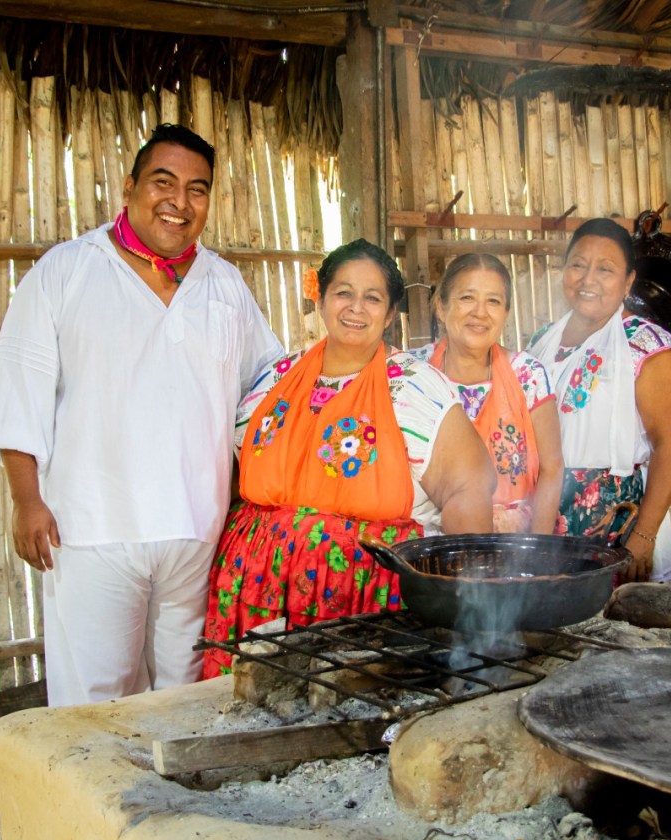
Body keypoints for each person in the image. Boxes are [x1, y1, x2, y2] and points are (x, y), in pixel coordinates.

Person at [0, 124, 283, 706]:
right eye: (163, 182)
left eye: (198, 189)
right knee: (94, 698)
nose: (179, 201)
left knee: (182, 694)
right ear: (129, 186)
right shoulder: (66, 271)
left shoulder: (223, 284)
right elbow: (20, 387)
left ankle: (167, 800)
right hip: (92, 526)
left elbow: (264, 390)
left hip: (196, 528)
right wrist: (26, 500)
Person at [202, 239, 495, 677]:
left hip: (363, 602)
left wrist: (465, 610)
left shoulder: (415, 389)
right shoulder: (275, 378)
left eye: (372, 297)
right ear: (320, 299)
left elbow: (468, 487)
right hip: (256, 587)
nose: (356, 308)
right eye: (343, 293)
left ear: (391, 313)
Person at [526, 218, 671, 583]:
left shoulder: (646, 346)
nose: (588, 280)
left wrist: (643, 535)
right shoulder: (542, 341)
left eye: (605, 269)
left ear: (628, 281)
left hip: (616, 518)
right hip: (545, 511)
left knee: (615, 626)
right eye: (578, 265)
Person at [407, 253, 564, 534]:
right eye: (467, 298)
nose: (480, 312)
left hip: (514, 545)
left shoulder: (527, 374)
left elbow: (552, 469)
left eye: (493, 301)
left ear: (505, 313)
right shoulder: (413, 373)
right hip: (429, 541)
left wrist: (539, 552)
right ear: (441, 307)